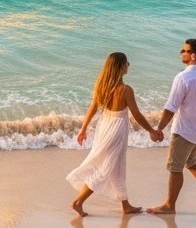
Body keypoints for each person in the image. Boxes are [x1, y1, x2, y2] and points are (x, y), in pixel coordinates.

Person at [67, 52, 164, 216]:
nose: (129, 65)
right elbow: (137, 114)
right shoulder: (125, 90)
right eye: (127, 63)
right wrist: (151, 131)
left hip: (105, 126)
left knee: (117, 166)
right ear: (121, 67)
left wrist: (83, 129)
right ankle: (78, 202)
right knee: (104, 167)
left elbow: (93, 108)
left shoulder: (102, 86)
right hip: (117, 129)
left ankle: (125, 205)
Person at [147, 38, 196, 214]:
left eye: (184, 50)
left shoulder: (183, 77)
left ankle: (169, 205)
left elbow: (171, 107)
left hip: (184, 130)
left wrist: (159, 129)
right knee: (191, 162)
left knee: (175, 168)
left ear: (193, 55)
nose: (181, 53)